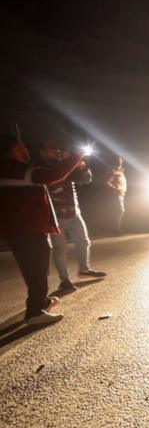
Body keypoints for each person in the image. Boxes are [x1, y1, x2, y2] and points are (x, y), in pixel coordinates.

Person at [1, 135, 83, 325]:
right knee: (35, 270)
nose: (25, 151)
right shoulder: (16, 170)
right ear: (7, 151)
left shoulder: (11, 169)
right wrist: (76, 156)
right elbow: (52, 176)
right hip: (27, 228)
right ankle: (35, 312)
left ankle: (41, 302)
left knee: (35, 268)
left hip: (21, 228)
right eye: (19, 149)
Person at [39, 140, 106, 292]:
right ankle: (64, 280)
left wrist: (82, 166)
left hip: (73, 210)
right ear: (42, 153)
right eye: (51, 148)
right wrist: (69, 163)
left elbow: (86, 179)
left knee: (83, 241)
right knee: (60, 248)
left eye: (57, 148)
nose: (56, 151)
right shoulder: (40, 168)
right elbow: (52, 180)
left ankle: (84, 270)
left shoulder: (65, 165)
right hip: (54, 215)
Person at [106, 156, 127, 232]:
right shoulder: (114, 171)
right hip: (117, 194)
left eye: (120, 160)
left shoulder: (121, 170)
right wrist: (115, 189)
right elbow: (108, 182)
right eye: (118, 160)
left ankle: (117, 228)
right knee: (119, 210)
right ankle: (116, 229)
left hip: (122, 193)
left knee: (120, 211)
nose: (120, 162)